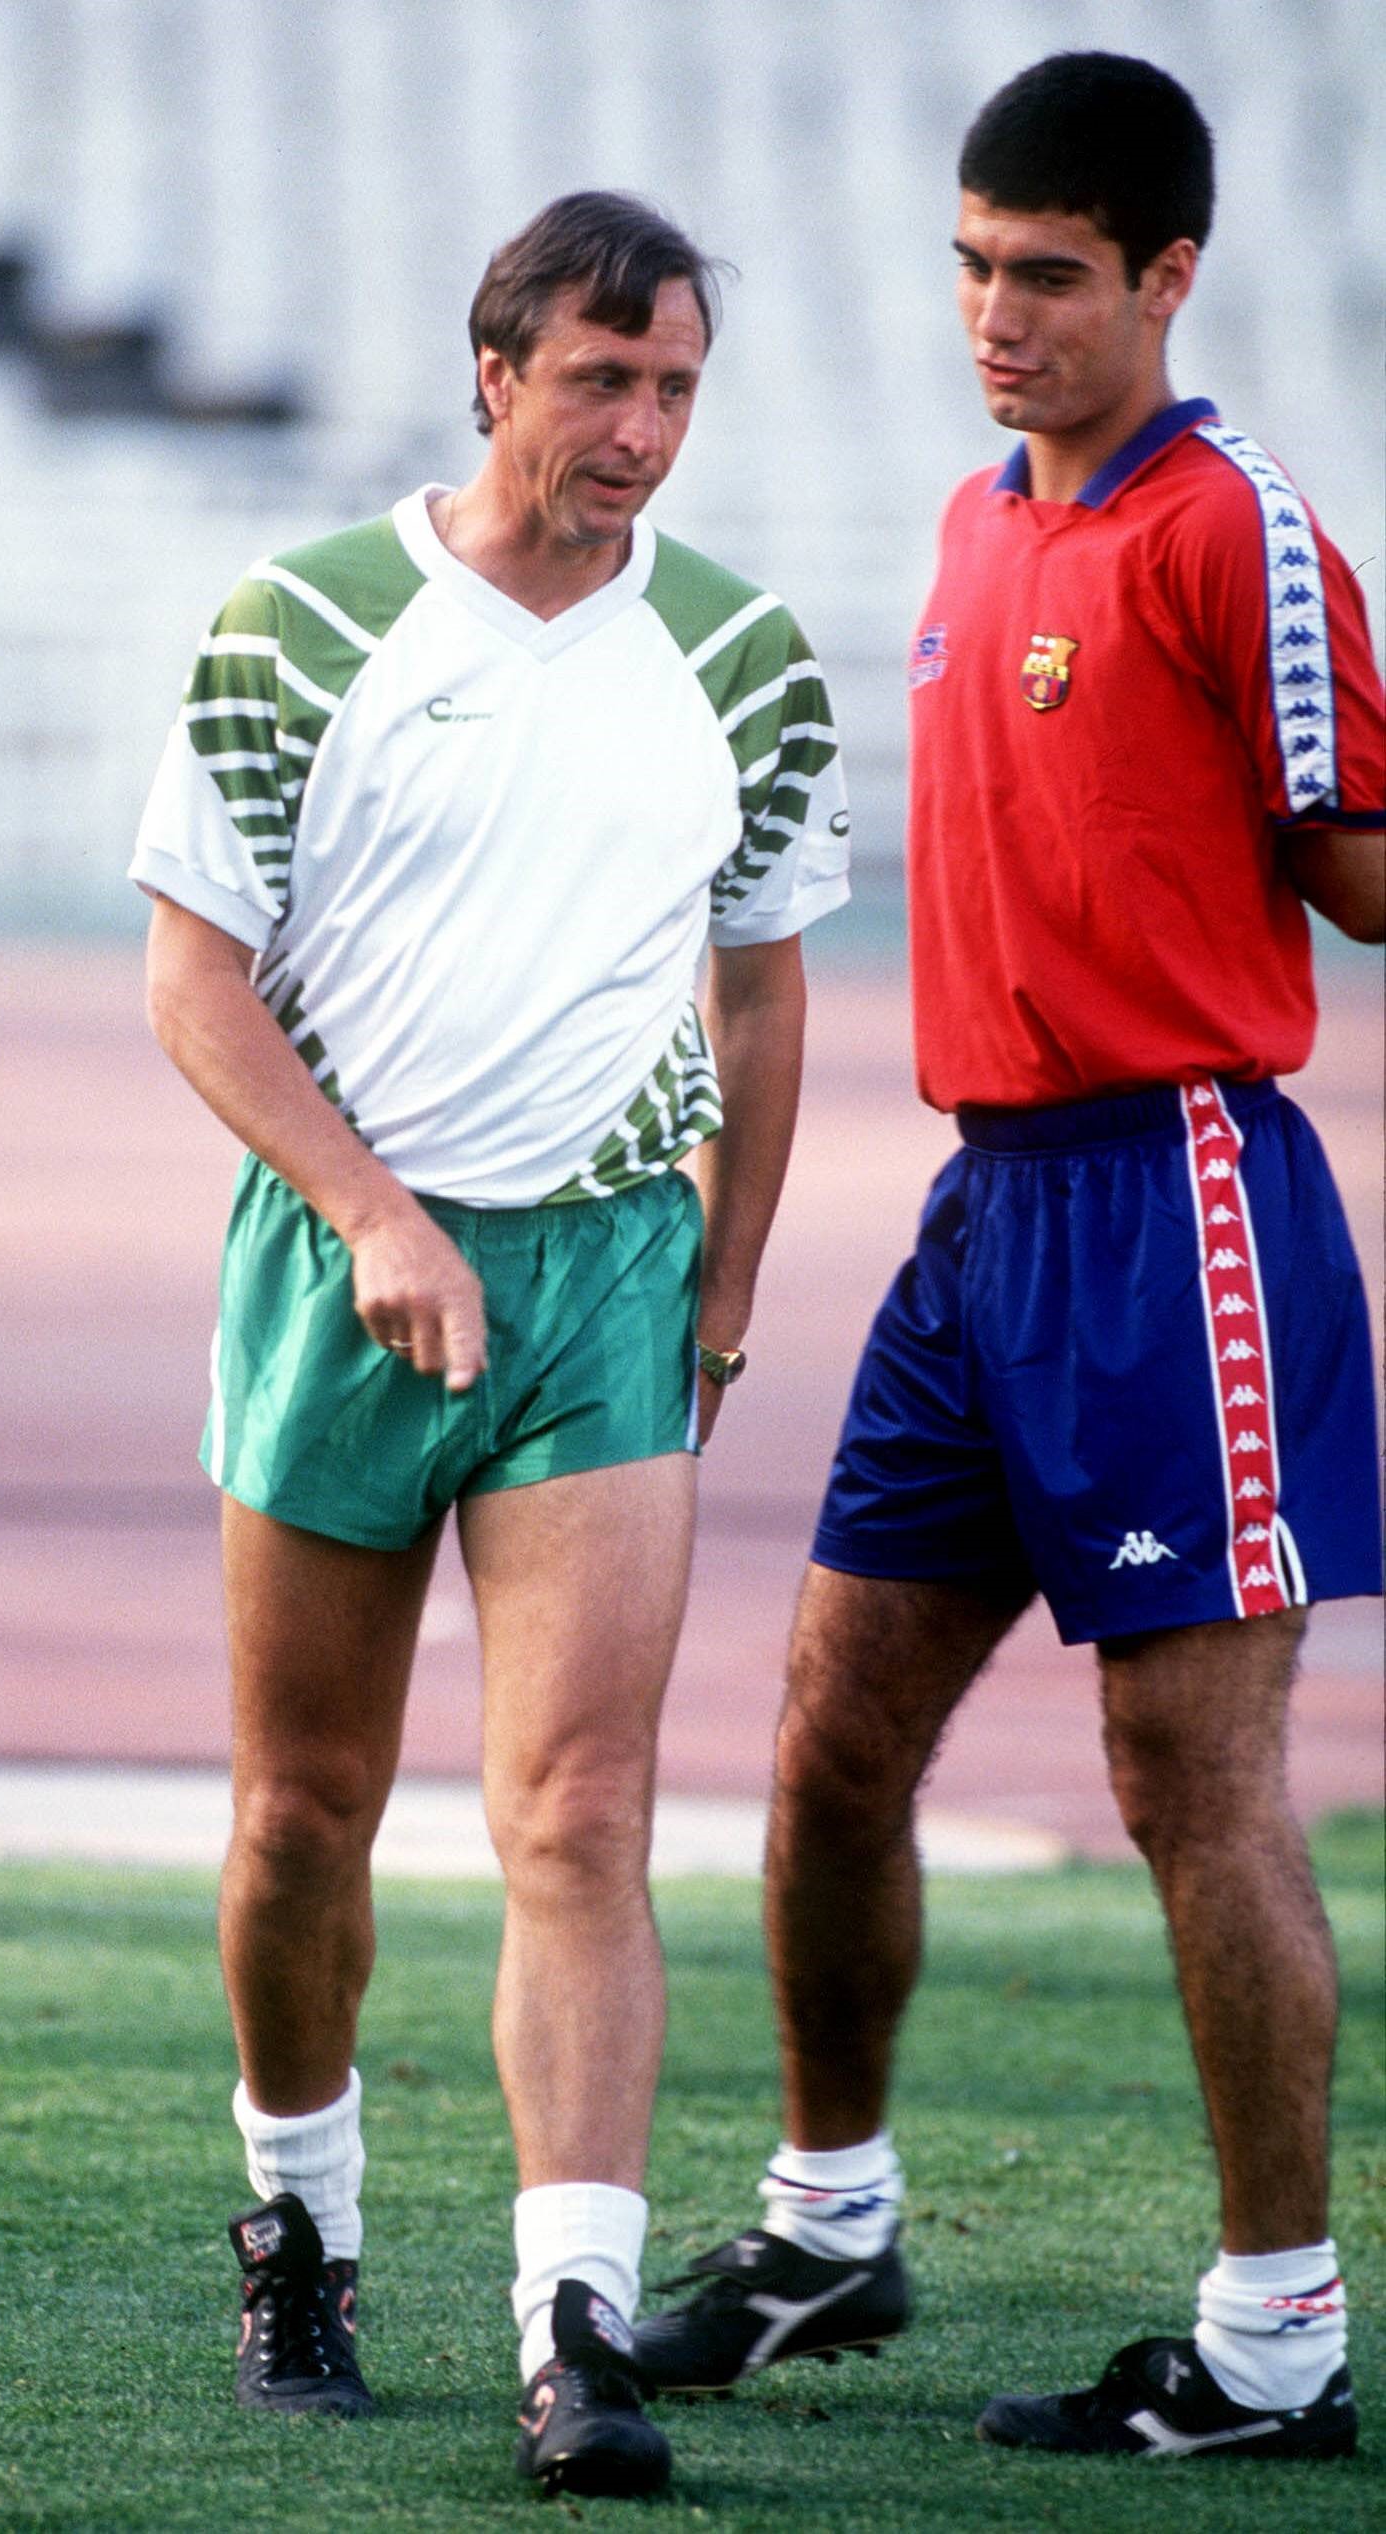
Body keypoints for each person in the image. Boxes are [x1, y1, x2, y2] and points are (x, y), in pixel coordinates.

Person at [635, 52, 1384, 2463]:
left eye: (1044, 275)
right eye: (968, 267)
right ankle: (824, 2223)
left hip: (1178, 1204)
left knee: (1188, 1778)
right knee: (829, 1738)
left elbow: (1363, 861)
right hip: (984, 1219)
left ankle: (1274, 2342)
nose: (993, 316)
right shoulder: (973, 523)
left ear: (1163, 277)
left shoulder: (1233, 529)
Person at [130, 190, 850, 2499]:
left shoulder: (739, 654)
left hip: (608, 1283)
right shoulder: (303, 621)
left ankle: (575, 2325)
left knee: (579, 1812)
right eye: (598, 380)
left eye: (672, 391)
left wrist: (725, 1282)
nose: (636, 430)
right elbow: (191, 981)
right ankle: (300, 2229)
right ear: (495, 370)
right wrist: (370, 1216)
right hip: (339, 1276)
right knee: (301, 1815)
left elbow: (758, 984)